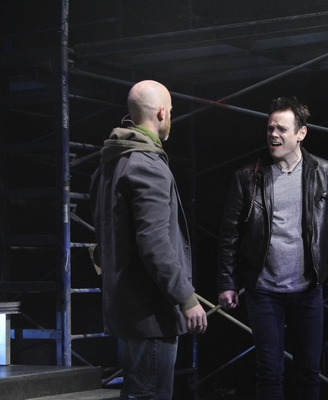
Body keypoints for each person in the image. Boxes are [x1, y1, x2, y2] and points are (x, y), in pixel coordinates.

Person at [216, 96, 328, 400]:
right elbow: (229, 235)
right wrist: (227, 282)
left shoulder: (324, 172)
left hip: (308, 289)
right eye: (270, 128)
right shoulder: (248, 177)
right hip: (264, 290)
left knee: (309, 370)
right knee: (269, 371)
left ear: (301, 133)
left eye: (281, 129)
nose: (273, 135)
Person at [90, 80, 207, 400]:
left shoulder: (111, 163)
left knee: (136, 393)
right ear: (161, 112)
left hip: (126, 308)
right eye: (171, 111)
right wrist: (186, 298)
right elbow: (155, 244)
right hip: (151, 312)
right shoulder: (147, 165)